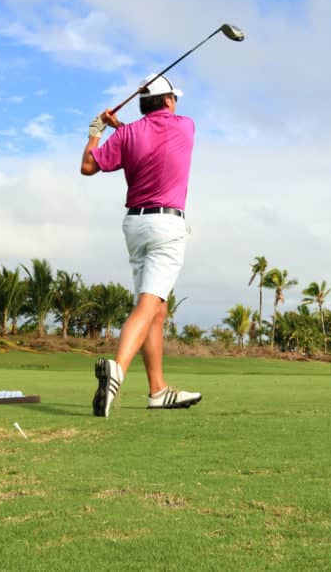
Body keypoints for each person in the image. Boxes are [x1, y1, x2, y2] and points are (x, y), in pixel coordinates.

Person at [80, 73, 202, 417]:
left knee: (155, 309)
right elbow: (157, 138)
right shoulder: (185, 126)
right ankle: (116, 370)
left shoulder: (129, 134)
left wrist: (98, 131)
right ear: (167, 102)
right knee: (150, 305)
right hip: (166, 224)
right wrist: (122, 127)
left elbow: (88, 166)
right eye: (173, 98)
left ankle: (157, 390)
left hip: (135, 226)